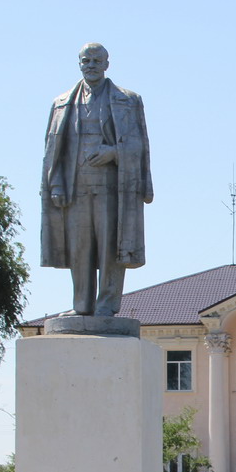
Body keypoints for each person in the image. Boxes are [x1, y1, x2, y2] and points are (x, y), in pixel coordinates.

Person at [41, 43, 152, 316]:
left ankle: (107, 305)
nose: (91, 65)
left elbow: (139, 146)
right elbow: (53, 151)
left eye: (96, 60)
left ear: (106, 64)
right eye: (85, 60)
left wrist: (113, 152)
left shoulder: (128, 100)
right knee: (80, 249)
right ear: (79, 64)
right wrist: (55, 183)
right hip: (75, 187)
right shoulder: (61, 103)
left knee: (110, 248)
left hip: (113, 189)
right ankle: (82, 306)